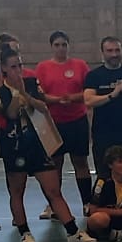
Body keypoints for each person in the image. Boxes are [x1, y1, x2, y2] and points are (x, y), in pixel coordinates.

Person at [0, 47, 95, 242]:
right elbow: (11, 114)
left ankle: (73, 231)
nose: (18, 70)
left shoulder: (31, 83)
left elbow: (42, 106)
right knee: (17, 191)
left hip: (37, 144)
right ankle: (24, 231)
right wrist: (16, 95)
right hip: (14, 146)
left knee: (53, 189)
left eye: (20, 65)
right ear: (4, 68)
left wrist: (25, 94)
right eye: (13, 67)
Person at [35, 31, 95, 213]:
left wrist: (74, 97)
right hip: (53, 123)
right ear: (52, 47)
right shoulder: (43, 67)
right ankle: (54, 204)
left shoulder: (80, 65)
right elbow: (38, 93)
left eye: (64, 44)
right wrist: (52, 99)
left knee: (80, 162)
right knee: (55, 164)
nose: (61, 48)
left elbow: (88, 90)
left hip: (77, 120)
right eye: (57, 45)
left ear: (69, 46)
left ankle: (87, 202)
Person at [84, 36, 122, 177]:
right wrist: (113, 94)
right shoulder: (94, 75)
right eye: (110, 50)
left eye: (117, 50)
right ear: (103, 53)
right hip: (103, 133)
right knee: (104, 174)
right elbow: (88, 100)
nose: (114, 54)